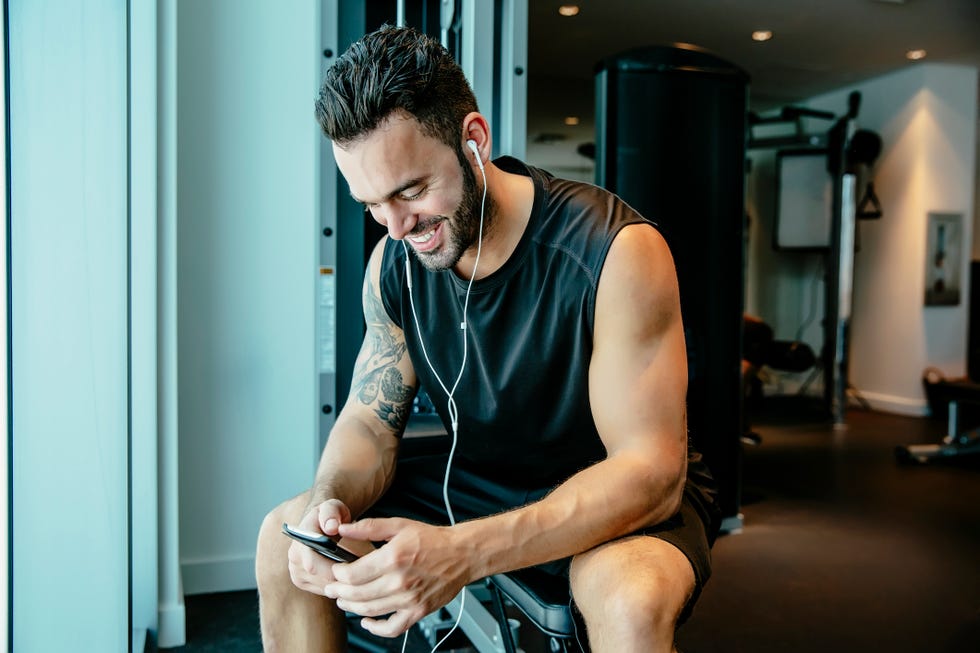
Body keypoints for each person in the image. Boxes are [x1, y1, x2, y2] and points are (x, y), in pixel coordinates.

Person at [255, 24, 719, 653]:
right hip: (478, 479)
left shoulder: (616, 252)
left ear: (473, 140)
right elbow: (368, 421)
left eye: (411, 191)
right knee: (284, 534)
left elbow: (650, 472)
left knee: (629, 600)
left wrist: (461, 554)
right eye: (371, 205)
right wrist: (328, 506)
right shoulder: (393, 264)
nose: (395, 228)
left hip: (609, 490)